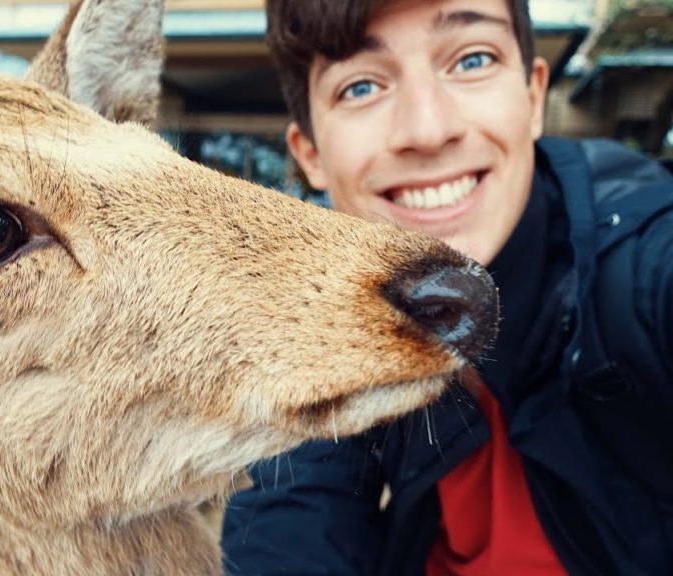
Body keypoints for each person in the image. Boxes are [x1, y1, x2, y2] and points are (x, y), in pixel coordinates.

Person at [221, 1, 673, 575]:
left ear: (533, 97)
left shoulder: (642, 261)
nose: (428, 131)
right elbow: (290, 516)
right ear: (310, 154)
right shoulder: (333, 305)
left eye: (472, 60)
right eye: (361, 87)